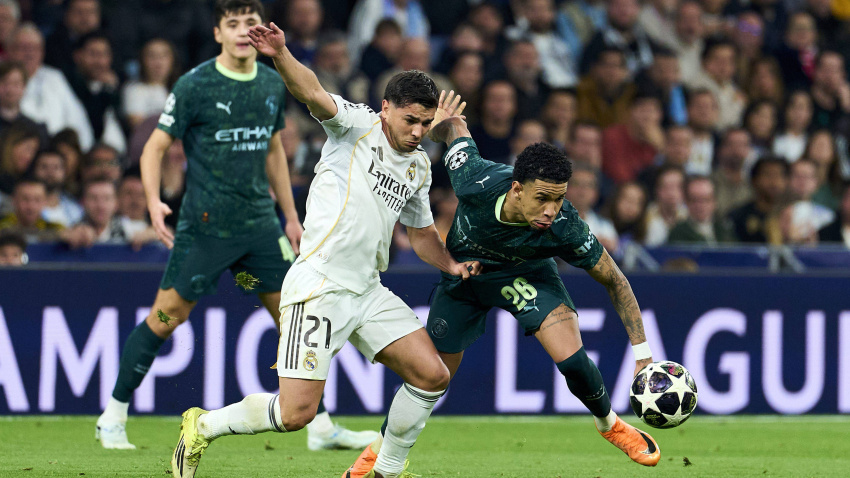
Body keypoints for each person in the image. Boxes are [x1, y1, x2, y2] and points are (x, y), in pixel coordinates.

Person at [168, 16, 482, 478]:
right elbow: (312, 92)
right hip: (319, 284)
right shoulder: (355, 126)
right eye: (409, 120)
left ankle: (385, 470)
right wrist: (280, 54)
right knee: (296, 415)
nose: (417, 131)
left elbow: (420, 235)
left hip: (368, 289)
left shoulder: (418, 167)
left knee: (433, 376)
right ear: (385, 108)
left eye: (424, 123)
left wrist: (450, 266)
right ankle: (204, 426)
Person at [95, 0, 374, 454]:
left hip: (260, 230)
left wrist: (289, 215)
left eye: (250, 21)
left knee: (297, 321)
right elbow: (155, 147)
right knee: (166, 319)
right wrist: (153, 202)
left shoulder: (269, 81)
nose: (243, 30)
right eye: (233, 23)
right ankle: (112, 416)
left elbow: (272, 152)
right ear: (218, 33)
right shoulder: (196, 84)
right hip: (205, 230)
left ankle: (320, 426)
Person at [384, 100, 662, 473]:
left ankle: (610, 425)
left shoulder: (566, 227)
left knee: (573, 360)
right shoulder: (474, 178)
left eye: (560, 198)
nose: (551, 209)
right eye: (542, 198)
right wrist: (442, 125)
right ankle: (379, 452)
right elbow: (454, 132)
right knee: (429, 379)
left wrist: (642, 353)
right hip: (465, 277)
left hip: (525, 275)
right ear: (516, 189)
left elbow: (615, 279)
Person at [668, 175, 736, 244]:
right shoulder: (677, 234)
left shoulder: (726, 230)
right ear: (686, 201)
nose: (700, 205)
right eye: (694, 200)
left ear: (714, 201)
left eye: (706, 199)